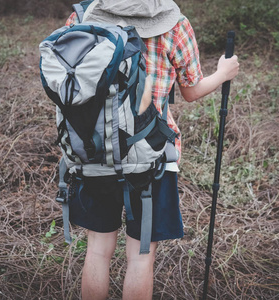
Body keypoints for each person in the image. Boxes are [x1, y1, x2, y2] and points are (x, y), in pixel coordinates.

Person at [63, 1, 239, 299]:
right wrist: (223, 73)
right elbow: (191, 90)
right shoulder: (175, 24)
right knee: (141, 254)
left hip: (95, 152)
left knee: (97, 251)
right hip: (153, 154)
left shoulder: (82, 17)